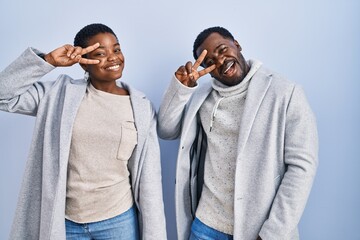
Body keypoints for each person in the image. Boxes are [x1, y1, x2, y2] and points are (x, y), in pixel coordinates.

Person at [0, 23, 167, 240]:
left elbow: (149, 178)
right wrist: (48, 61)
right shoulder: (58, 95)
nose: (113, 57)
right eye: (100, 53)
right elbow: (4, 96)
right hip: (66, 222)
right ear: (83, 64)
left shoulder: (140, 107)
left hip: (118, 221)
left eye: (116, 49)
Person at [157, 26, 318, 240]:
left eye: (223, 49)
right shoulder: (202, 98)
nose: (221, 61)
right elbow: (166, 130)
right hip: (205, 225)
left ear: (237, 44)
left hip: (258, 230)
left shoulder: (285, 92)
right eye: (210, 61)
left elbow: (302, 168)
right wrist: (182, 88)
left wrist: (273, 234)